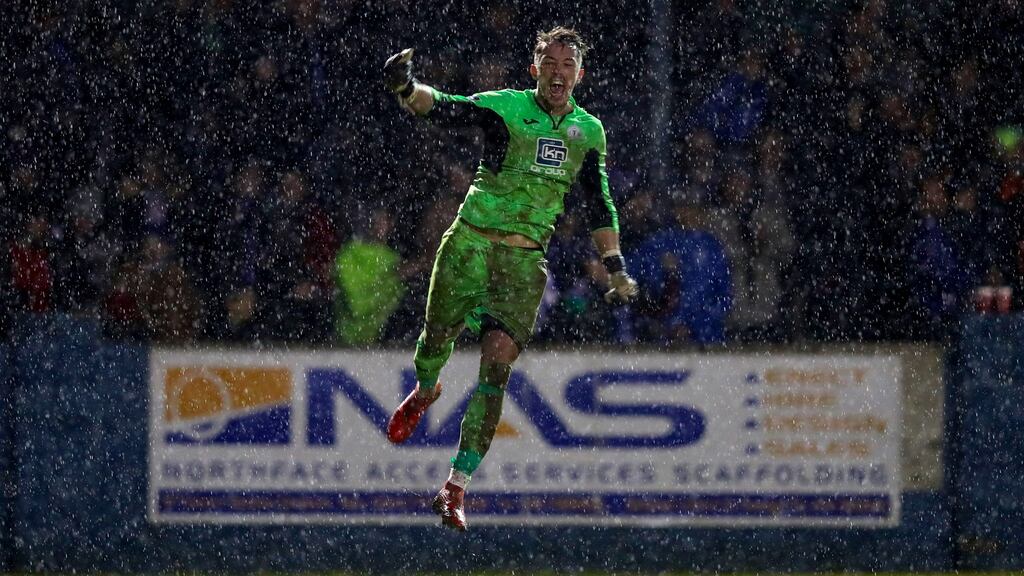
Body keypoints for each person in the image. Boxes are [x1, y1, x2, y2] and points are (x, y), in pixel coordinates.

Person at [381, 27, 638, 531]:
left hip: (522, 265)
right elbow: (448, 108)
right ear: (535, 68)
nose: (559, 71)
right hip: (470, 245)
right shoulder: (505, 107)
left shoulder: (588, 133)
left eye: (569, 64)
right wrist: (406, 90)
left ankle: (455, 487)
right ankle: (427, 388)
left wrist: (615, 266)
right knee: (435, 340)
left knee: (496, 369)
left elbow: (597, 201)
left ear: (580, 75)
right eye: (551, 62)